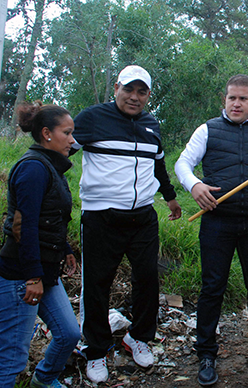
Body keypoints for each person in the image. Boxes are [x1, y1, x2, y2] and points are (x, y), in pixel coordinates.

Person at [175, 74, 248, 386]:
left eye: (242, 98)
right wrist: (194, 184)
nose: (236, 103)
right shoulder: (207, 130)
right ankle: (206, 354)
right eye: (231, 98)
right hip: (217, 223)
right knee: (212, 289)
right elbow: (182, 164)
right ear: (224, 100)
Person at [71, 65, 182, 383]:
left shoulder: (150, 124)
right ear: (116, 87)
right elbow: (63, 149)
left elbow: (158, 163)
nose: (134, 97)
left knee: (148, 278)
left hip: (143, 217)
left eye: (141, 91)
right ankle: (95, 351)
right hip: (101, 217)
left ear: (148, 95)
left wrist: (171, 197)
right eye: (128, 89)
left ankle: (138, 338)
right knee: (97, 283)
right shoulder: (92, 118)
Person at [0, 102, 80, 388]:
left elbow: (52, 218)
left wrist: (66, 250)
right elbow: (25, 227)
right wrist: (32, 277)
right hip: (22, 275)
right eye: (67, 133)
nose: (72, 140)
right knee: (11, 357)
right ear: (47, 133)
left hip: (44, 271)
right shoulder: (33, 168)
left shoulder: (51, 167)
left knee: (69, 333)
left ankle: (43, 380)